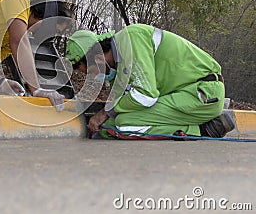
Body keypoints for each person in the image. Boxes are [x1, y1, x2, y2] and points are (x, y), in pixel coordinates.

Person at [65, 24, 235, 138]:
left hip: (202, 94)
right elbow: (120, 104)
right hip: (189, 94)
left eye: (89, 70)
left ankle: (204, 129)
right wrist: (103, 124)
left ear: (96, 58)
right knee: (114, 124)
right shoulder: (121, 65)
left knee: (125, 125)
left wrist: (103, 114)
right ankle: (201, 117)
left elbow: (145, 96)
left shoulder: (130, 40)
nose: (91, 76)